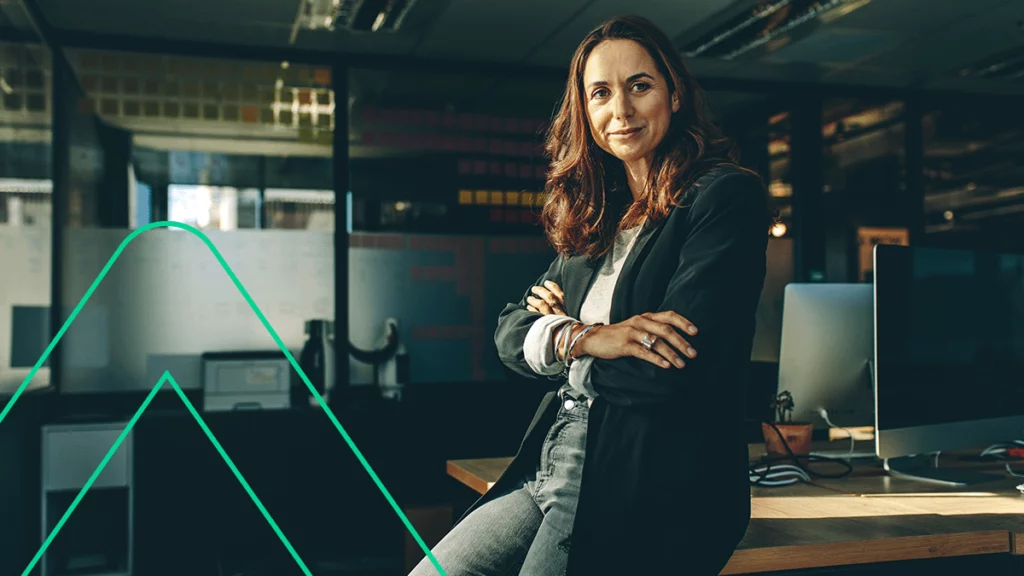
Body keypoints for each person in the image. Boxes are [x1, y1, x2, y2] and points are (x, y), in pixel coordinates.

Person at [410, 14, 772, 576]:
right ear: (586, 111)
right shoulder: (595, 221)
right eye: (601, 93)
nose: (620, 110)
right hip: (552, 456)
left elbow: (668, 370)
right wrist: (591, 339)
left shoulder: (723, 197)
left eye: (640, 86)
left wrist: (561, 347)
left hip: (643, 473)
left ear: (674, 94)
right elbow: (509, 332)